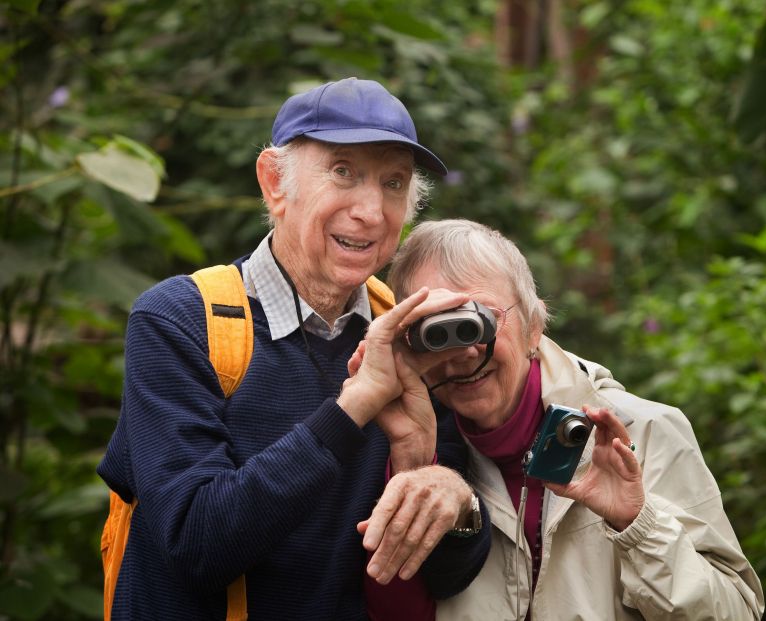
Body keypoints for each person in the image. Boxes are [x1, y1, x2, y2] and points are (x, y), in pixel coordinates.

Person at [97, 79, 490, 620]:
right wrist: (354, 407)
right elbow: (195, 546)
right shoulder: (181, 321)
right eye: (343, 172)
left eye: (394, 183)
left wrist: (452, 495)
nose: (371, 212)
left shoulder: (412, 332)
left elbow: (446, 577)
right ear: (274, 182)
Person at [381, 219, 765, 620]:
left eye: (480, 321)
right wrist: (411, 460)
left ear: (534, 326)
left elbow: (737, 612)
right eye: (436, 331)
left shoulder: (645, 432)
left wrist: (639, 524)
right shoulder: (418, 450)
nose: (463, 352)